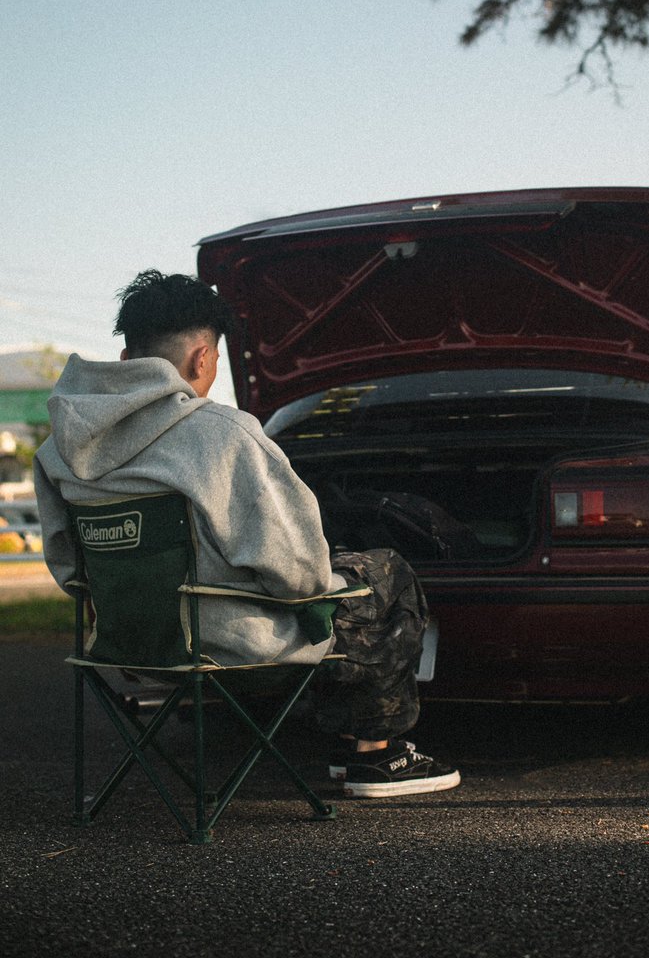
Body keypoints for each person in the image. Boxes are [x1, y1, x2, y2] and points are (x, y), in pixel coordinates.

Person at [34, 269, 460, 799]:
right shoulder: (222, 434)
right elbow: (298, 575)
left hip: (129, 647)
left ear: (127, 363)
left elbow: (70, 569)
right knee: (384, 574)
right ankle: (374, 756)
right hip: (233, 649)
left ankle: (353, 747)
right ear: (202, 360)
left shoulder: (58, 451)